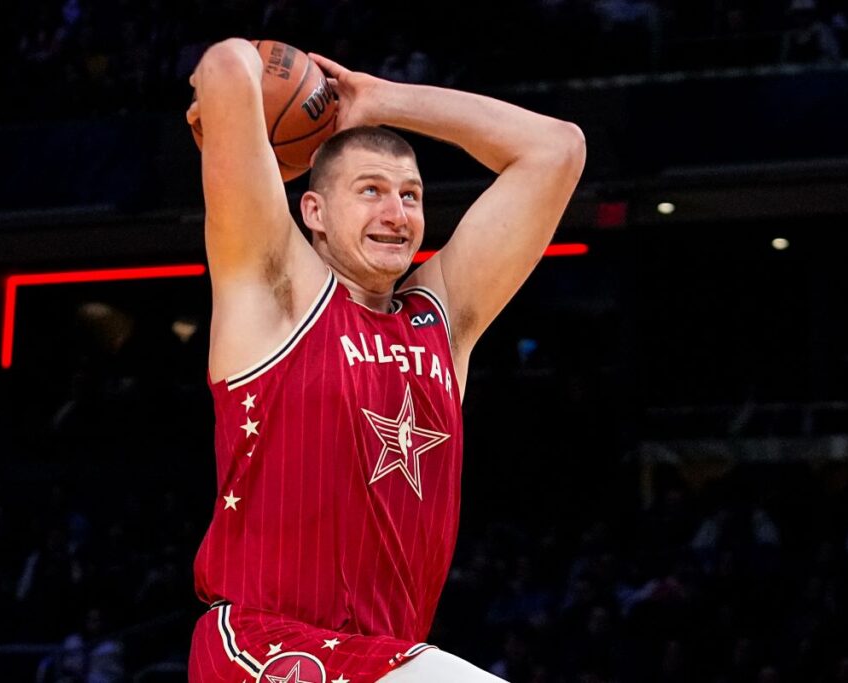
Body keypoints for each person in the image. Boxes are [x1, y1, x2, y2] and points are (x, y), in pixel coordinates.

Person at [184, 37, 585, 683]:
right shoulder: (276, 293)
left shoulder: (442, 321)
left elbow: (557, 148)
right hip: (264, 649)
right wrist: (232, 104)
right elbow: (231, 61)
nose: (396, 213)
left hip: (383, 654)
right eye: (370, 190)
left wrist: (384, 100)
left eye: (411, 195)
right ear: (312, 210)